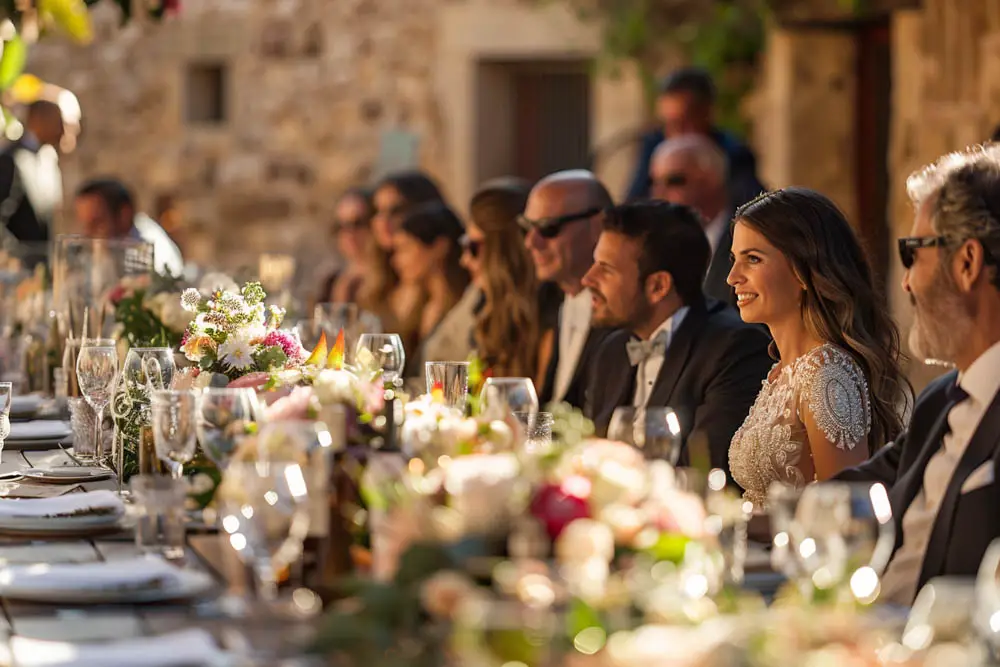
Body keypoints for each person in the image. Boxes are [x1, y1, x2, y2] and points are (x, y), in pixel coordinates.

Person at [835, 145, 1000, 604]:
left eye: (912, 254)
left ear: (967, 263)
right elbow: (851, 492)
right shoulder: (941, 400)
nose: (905, 282)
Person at [726, 188, 911, 509]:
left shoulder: (827, 371)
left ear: (802, 271)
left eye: (752, 259)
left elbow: (843, 510)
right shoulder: (779, 371)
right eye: (734, 259)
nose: (732, 277)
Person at [583, 200, 770, 476]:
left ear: (658, 286)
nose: (588, 279)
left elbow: (706, 470)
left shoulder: (735, 348)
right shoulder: (612, 349)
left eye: (606, 269)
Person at [523, 170, 614, 409]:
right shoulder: (546, 302)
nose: (531, 242)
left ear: (598, 225)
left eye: (548, 227)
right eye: (527, 228)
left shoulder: (623, 312)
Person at [625, 67, 765, 207]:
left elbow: (753, 209)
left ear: (706, 114)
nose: (674, 132)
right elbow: (634, 205)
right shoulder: (654, 147)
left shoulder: (734, 154)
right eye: (667, 123)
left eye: (682, 122)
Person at [461, 177, 544, 381]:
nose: (464, 260)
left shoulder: (545, 313)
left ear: (502, 251)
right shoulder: (484, 308)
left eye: (473, 247)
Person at [649, 135, 735, 304]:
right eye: (653, 182)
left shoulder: (747, 239)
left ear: (712, 181)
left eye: (674, 181)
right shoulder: (653, 248)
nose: (659, 193)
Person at [390, 201, 470, 375]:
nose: (396, 261)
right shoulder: (419, 305)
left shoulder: (463, 306)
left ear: (440, 247)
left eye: (405, 249)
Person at [360, 170, 445, 332]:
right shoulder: (377, 281)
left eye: (396, 211)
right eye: (378, 211)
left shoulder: (436, 280)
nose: (383, 221)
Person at [74, 178, 184, 276]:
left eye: (96, 224)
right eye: (85, 225)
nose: (87, 233)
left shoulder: (154, 251)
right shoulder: (96, 253)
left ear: (124, 215)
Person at [0, 100, 65, 251]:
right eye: (58, 122)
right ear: (38, 120)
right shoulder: (10, 159)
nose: (62, 130)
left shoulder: (48, 157)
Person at [319, 188, 376, 305]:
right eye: (341, 226)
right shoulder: (331, 282)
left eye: (358, 223)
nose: (349, 234)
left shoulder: (391, 284)